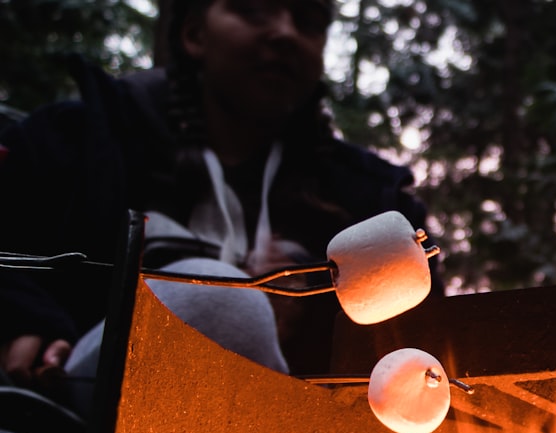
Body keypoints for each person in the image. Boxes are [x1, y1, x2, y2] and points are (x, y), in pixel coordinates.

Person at [0, 0, 440, 381]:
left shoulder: (368, 200)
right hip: (80, 420)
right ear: (194, 34)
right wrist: (27, 319)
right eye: (253, 9)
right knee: (221, 303)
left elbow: (422, 348)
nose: (285, 32)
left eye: (307, 20)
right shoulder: (78, 142)